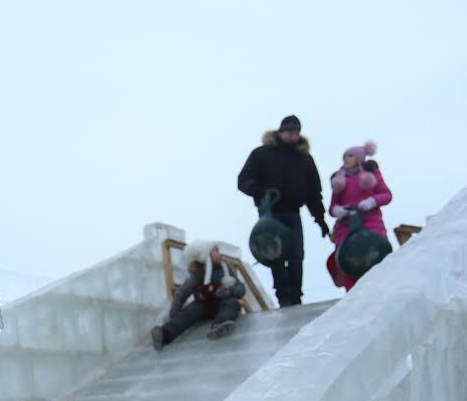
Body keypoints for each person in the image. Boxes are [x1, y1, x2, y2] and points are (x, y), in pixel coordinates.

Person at [237, 114, 329, 307]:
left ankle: (296, 297)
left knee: (296, 255)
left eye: (296, 132)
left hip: (293, 212)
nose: (293, 136)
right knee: (275, 254)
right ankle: (284, 297)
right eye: (290, 132)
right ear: (280, 132)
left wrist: (320, 219)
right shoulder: (261, 154)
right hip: (269, 212)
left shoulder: (304, 158)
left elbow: (313, 192)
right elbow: (243, 180)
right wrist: (257, 190)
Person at [151, 240, 246, 350]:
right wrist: (175, 315)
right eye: (215, 251)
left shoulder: (225, 270)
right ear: (205, 256)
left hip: (223, 303)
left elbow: (241, 288)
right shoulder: (197, 275)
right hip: (204, 305)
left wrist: (229, 291)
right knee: (190, 311)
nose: (219, 254)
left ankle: (221, 325)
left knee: (232, 303)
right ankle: (165, 334)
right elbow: (182, 293)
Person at [328, 141, 394, 291]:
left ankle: (382, 292)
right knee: (349, 262)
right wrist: (338, 210)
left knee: (377, 258)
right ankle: (352, 296)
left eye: (350, 156)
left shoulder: (372, 174)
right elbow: (332, 207)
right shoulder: (339, 179)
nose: (346, 159)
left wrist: (371, 201)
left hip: (371, 224)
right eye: (345, 157)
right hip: (346, 228)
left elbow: (387, 195)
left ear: (359, 158)